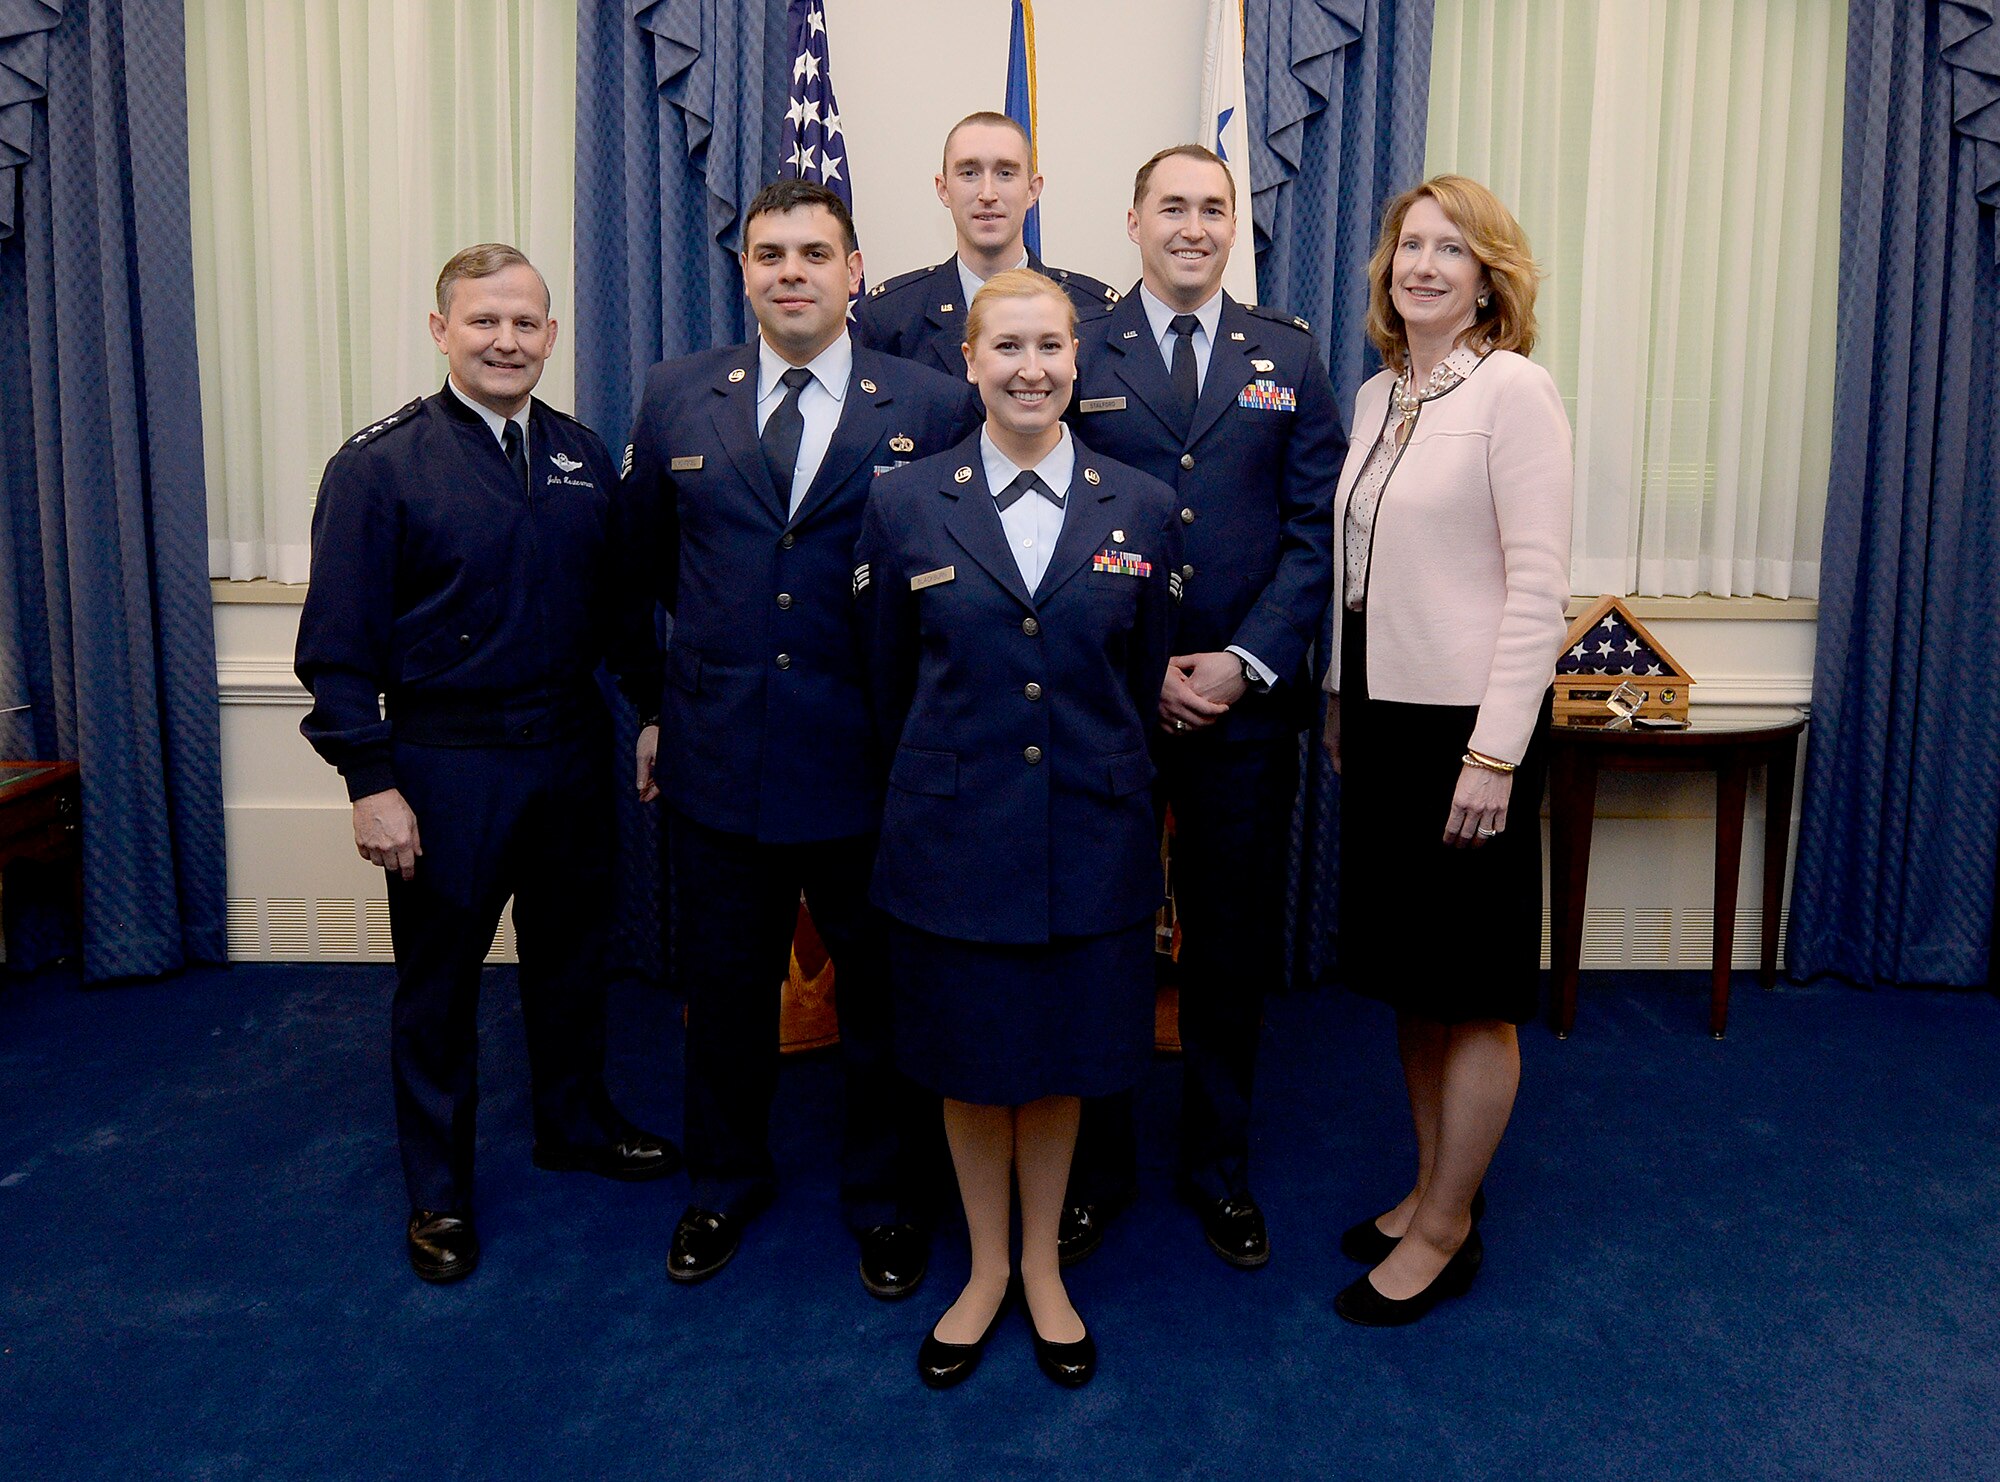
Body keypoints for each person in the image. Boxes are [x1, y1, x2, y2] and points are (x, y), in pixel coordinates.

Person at [615, 179, 973, 1296]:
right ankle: (722, 1184)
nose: (790, 271)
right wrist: (658, 709)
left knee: (881, 997)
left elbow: (949, 587)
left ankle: (884, 1198)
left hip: (872, 761)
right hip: (720, 755)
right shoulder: (677, 395)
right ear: (744, 272)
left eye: (814, 252)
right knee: (721, 993)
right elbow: (638, 573)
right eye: (768, 253)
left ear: (854, 271)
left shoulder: (929, 399)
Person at [295, 244, 677, 1285]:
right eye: (483, 323)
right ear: (440, 331)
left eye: (525, 324)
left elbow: (617, 613)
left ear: (551, 336)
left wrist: (647, 710)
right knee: (440, 986)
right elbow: (334, 649)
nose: (506, 341)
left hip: (567, 748)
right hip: (442, 761)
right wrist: (369, 782)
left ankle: (573, 1123)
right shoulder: (378, 466)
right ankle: (438, 1191)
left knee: (571, 960)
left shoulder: (582, 456)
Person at [856, 268, 1180, 1388]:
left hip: (1090, 837)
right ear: (969, 362)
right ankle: (985, 1267)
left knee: (1055, 1066)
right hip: (951, 838)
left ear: (1077, 361)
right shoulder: (905, 501)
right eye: (1007, 348)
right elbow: (888, 684)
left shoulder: (1137, 504)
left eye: (1049, 347)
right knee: (966, 1061)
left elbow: (1135, 687)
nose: (1030, 368)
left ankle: (1043, 1265)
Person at [1062, 145, 1345, 1270]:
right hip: (1106, 703)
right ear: (1130, 220)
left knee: (1227, 946)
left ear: (1238, 226)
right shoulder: (1076, 348)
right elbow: (1052, 512)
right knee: (1102, 941)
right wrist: (1145, 669)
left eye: (1213, 208)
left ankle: (1216, 1167)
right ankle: (1097, 1169)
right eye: (1170, 206)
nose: (1192, 225)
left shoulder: (1285, 352)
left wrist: (1242, 659)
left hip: (1243, 706)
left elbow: (1313, 527)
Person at [1321, 175, 1572, 1325]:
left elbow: (1536, 591)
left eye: (1448, 249)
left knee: (1469, 993)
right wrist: (1335, 696)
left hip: (1468, 734)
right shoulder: (1378, 395)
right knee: (1410, 983)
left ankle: (1445, 1225)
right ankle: (1428, 1184)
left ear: (1486, 278)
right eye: (1406, 245)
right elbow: (1357, 576)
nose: (1420, 264)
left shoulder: (1514, 393)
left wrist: (1494, 756)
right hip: (1378, 720)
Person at [854, 112, 1119, 382]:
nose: (988, 194)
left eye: (1005, 173)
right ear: (943, 189)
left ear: (1032, 190)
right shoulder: (890, 317)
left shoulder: (1093, 311)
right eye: (969, 173)